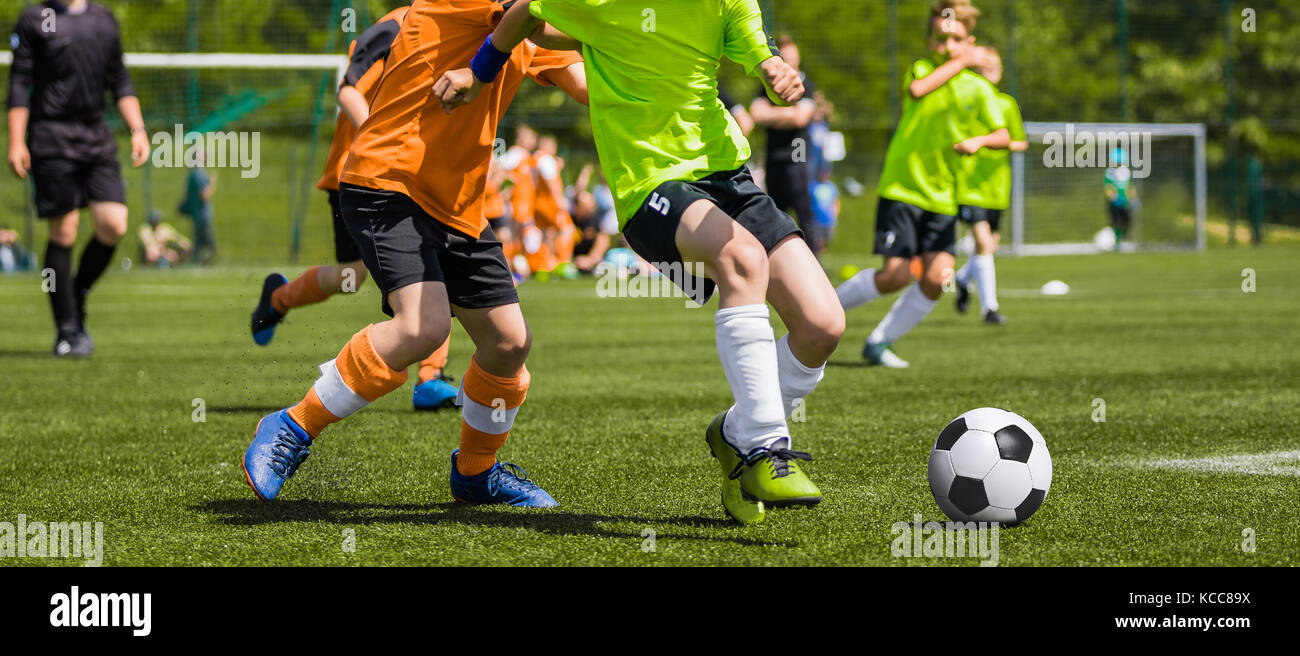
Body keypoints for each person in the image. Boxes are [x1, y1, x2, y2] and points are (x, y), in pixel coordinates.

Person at [439, 0, 844, 525]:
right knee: (740, 257)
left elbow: (750, 46)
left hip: (727, 173)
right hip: (650, 183)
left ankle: (735, 433)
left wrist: (772, 68)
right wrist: (479, 72)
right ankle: (763, 449)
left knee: (822, 325)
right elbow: (521, 14)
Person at [241, 0, 588, 508]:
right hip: (389, 181)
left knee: (509, 343)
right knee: (422, 327)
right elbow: (541, 25)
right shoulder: (486, 7)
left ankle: (476, 474)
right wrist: (629, 32)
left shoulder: (533, 17)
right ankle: (292, 427)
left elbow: (584, 83)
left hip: (457, 206)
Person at [246, 8, 459, 412]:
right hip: (360, 173)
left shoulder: (461, 27)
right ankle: (279, 298)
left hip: (413, 173)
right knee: (349, 276)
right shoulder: (393, 28)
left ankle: (431, 377)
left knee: (437, 258)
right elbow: (348, 90)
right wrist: (382, 142)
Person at [835, 0, 1007, 369]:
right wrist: (962, 61)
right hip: (903, 189)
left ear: (970, 39)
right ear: (929, 42)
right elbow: (918, 91)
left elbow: (1004, 132)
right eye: (940, 39)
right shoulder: (922, 69)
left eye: (956, 39)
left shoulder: (976, 90)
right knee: (895, 275)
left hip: (943, 196)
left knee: (938, 277)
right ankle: (818, 311)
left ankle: (879, 343)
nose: (947, 46)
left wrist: (981, 138)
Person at [7, 0, 151, 357]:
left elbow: (119, 79)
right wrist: (15, 142)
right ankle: (67, 329)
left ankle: (77, 292)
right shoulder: (35, 18)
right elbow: (18, 83)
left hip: (95, 137)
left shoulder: (103, 19)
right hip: (50, 136)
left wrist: (138, 128)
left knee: (113, 225)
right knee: (64, 230)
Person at [953, 45, 1028, 324]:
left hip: (997, 187)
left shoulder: (1006, 103)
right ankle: (990, 309)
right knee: (982, 241)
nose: (989, 70)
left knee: (988, 247)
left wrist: (990, 142)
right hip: (969, 186)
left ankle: (962, 278)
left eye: (994, 65)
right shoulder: (966, 101)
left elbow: (1020, 141)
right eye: (983, 66)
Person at [749, 35, 821, 256]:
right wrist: (787, 114)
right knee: (775, 218)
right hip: (773, 160)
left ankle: (814, 265)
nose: (790, 60)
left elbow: (800, 118)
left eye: (793, 55)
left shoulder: (806, 85)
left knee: (804, 216)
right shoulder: (767, 87)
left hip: (797, 160)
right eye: (785, 56)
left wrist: (772, 114)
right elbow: (755, 113)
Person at [179, 149, 216, 264]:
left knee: (199, 242)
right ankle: (199, 261)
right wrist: (212, 182)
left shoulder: (192, 174)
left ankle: (197, 260)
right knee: (208, 243)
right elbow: (205, 195)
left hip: (196, 214)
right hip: (202, 214)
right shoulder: (199, 174)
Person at [1104, 147, 1135, 249]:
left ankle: (1122, 238)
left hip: (1125, 202)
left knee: (1127, 220)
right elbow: (1108, 188)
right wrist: (1114, 198)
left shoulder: (1126, 171)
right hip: (1115, 204)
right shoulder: (1110, 172)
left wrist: (1133, 199)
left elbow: (1130, 186)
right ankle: (1117, 243)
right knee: (1115, 222)